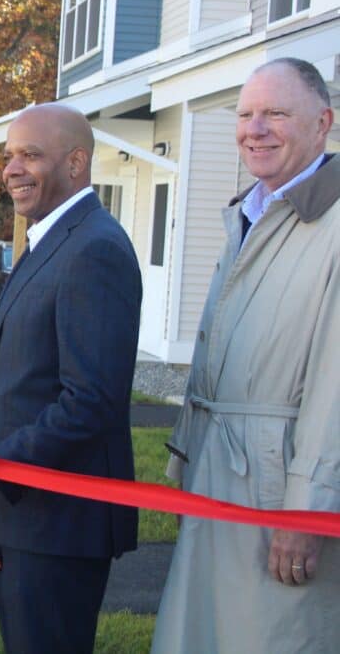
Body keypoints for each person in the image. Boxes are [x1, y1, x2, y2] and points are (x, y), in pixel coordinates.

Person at [0, 103, 141, 654]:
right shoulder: (49, 237)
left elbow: (90, 402)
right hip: (23, 511)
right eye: (9, 156)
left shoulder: (95, 249)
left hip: (61, 522)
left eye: (30, 155)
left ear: (76, 162)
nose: (12, 168)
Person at [150, 58, 339, 653]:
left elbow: (336, 391)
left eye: (276, 113)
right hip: (218, 470)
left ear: (323, 123)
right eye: (246, 114)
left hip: (278, 489)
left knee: (270, 637)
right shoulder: (246, 214)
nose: (255, 129)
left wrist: (304, 514)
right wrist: (186, 461)